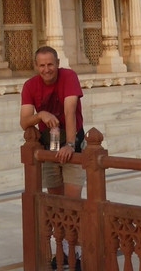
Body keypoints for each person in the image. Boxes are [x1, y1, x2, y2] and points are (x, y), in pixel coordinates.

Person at [20, 45, 85, 198]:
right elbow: (24, 122)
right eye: (42, 65)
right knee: (55, 201)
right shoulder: (30, 86)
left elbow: (70, 111)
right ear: (36, 66)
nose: (46, 69)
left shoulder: (69, 76)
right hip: (50, 144)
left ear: (57, 63)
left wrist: (70, 145)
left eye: (50, 64)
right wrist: (41, 115)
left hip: (72, 141)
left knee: (72, 201)